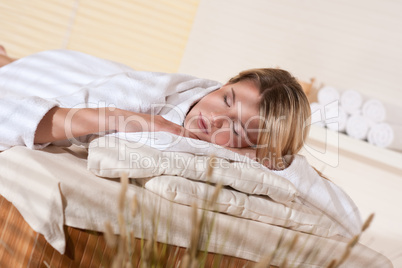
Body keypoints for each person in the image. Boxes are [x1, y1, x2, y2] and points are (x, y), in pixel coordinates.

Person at [0, 46, 310, 171]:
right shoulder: (156, 92)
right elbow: (53, 118)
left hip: (70, 73)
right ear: (222, 85)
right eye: (226, 99)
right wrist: (131, 118)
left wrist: (245, 154)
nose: (215, 118)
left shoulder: (242, 151)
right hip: (72, 69)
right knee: (15, 69)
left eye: (238, 127)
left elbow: (292, 170)